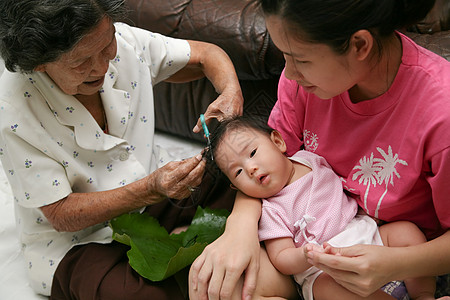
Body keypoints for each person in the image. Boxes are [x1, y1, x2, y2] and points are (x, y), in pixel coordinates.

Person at [189, 0, 450, 299]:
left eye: (300, 59)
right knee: (215, 285)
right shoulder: (301, 85)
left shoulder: (441, 110)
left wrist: (394, 264)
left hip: (406, 257)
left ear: (360, 45)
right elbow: (271, 164)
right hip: (320, 265)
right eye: (284, 57)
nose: (289, 74)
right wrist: (240, 226)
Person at [0, 0, 245, 298]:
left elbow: (207, 56)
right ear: (39, 62)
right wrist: (150, 189)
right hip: (80, 241)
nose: (103, 66)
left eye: (107, 46)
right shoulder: (12, 108)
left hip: (158, 196)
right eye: (81, 62)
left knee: (249, 177)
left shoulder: (123, 42)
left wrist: (229, 91)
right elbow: (61, 214)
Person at [204, 115, 438, 300]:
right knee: (329, 288)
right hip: (324, 267)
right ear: (236, 187)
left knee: (406, 232)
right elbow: (282, 259)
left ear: (278, 142)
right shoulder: (270, 209)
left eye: (253, 153)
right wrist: (307, 255)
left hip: (364, 232)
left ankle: (424, 295)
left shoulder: (309, 158)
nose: (251, 168)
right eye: (238, 172)